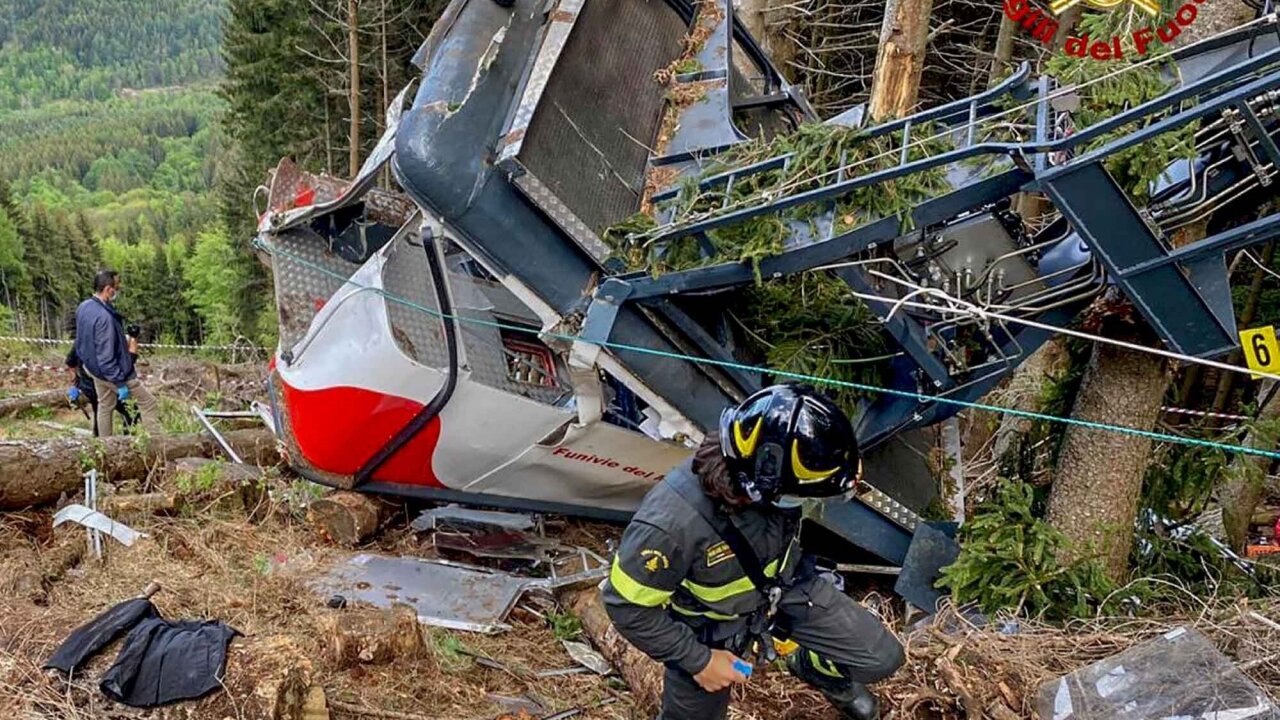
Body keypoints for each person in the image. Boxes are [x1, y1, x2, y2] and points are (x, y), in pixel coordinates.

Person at [603, 384, 904, 720]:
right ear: (760, 484)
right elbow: (626, 606)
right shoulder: (670, 526)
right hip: (708, 627)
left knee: (880, 658)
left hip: (783, 589)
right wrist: (698, 660)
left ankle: (815, 668)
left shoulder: (771, 468)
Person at [74, 270, 160, 437]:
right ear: (108, 289)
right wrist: (120, 383)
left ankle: (105, 447)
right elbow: (106, 356)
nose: (117, 290)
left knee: (105, 405)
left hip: (93, 369)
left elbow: (83, 341)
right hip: (111, 372)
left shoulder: (84, 307)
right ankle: (157, 445)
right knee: (149, 403)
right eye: (116, 287)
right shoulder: (105, 318)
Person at [62, 312, 139, 436]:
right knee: (131, 411)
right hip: (106, 384)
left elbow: (70, 362)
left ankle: (100, 442)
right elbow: (130, 360)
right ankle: (128, 443)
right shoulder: (110, 341)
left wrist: (75, 383)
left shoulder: (82, 340)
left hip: (91, 386)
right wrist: (134, 338)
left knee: (101, 412)